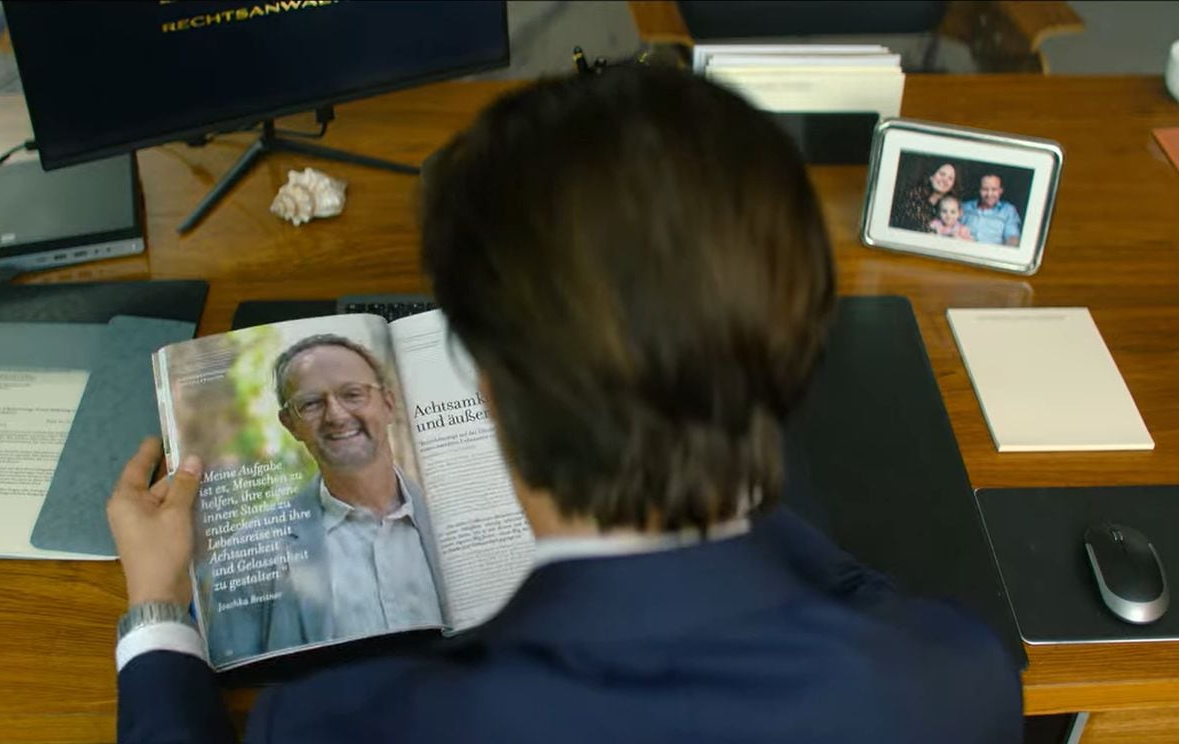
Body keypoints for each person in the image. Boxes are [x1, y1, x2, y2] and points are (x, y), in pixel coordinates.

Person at [107, 68, 1022, 743]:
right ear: (789, 353)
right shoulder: (956, 675)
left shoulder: (336, 722)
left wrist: (157, 615)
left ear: (492, 392)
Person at [203, 334, 444, 665]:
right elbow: (238, 686)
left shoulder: (452, 517)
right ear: (290, 424)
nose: (336, 415)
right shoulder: (248, 554)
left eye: (353, 394)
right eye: (311, 403)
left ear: (388, 404)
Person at [890, 160, 957, 232]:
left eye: (950, 178)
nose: (945, 180)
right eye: (942, 174)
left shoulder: (951, 207)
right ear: (931, 176)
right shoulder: (914, 196)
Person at [962, 174, 1022, 246]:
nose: (989, 194)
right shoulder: (965, 207)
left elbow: (1012, 238)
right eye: (985, 189)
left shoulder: (1008, 210)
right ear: (979, 190)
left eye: (994, 189)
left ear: (1000, 191)